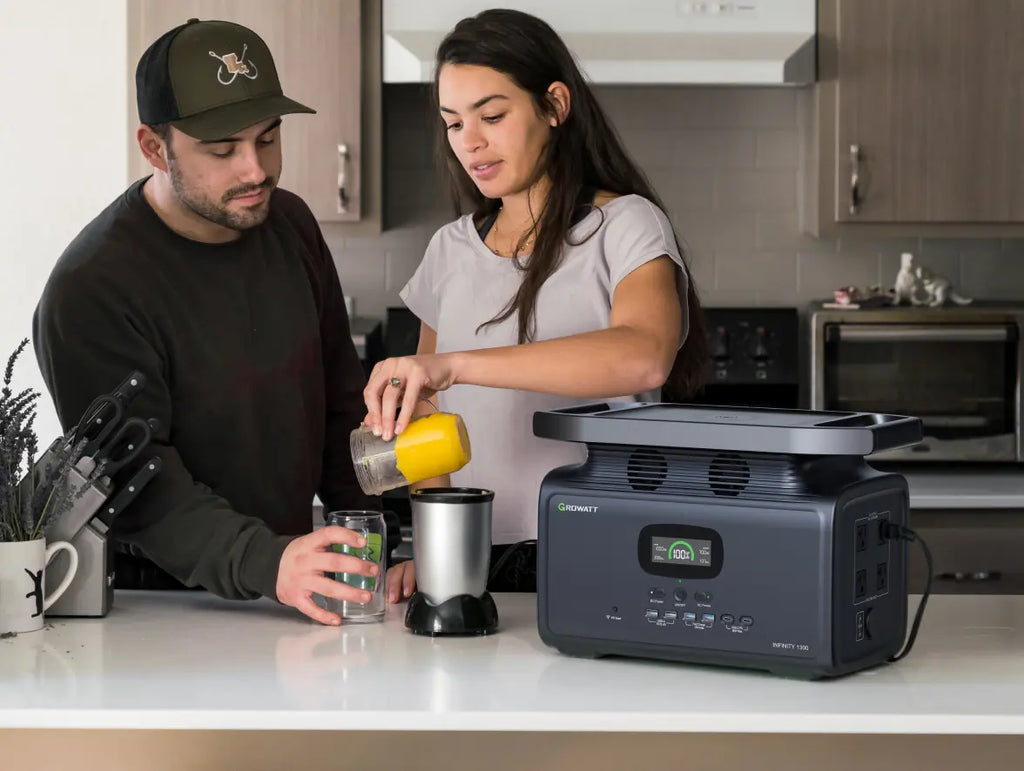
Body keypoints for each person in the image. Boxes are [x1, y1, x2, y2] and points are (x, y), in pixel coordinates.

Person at [33, 18, 379, 625]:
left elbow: (341, 406)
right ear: (152, 147)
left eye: (268, 139)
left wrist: (381, 533)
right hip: (158, 609)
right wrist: (269, 563)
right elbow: (141, 487)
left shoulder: (290, 224)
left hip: (290, 588)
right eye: (222, 150)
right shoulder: (91, 289)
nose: (255, 171)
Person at [364, 9, 710, 602]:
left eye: (492, 116)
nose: (469, 142)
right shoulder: (448, 249)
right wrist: (435, 547)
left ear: (553, 105)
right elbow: (427, 422)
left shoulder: (624, 226)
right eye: (453, 123)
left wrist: (458, 364)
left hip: (603, 551)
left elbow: (645, 355)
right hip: (475, 559)